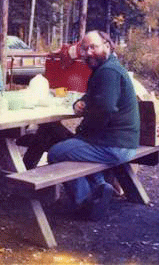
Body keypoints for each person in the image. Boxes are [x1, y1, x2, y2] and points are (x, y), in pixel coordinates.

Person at [47, 30, 140, 220]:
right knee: (70, 145)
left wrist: (83, 132)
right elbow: (94, 97)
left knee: (56, 152)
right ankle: (100, 186)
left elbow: (104, 109)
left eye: (93, 47)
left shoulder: (108, 72)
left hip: (115, 145)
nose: (88, 53)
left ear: (107, 45)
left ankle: (85, 200)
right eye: (84, 48)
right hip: (121, 141)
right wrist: (79, 103)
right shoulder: (108, 68)